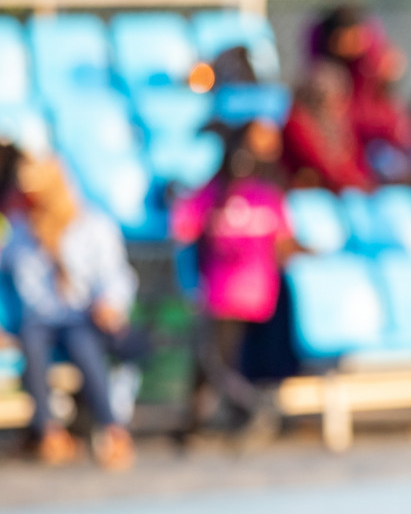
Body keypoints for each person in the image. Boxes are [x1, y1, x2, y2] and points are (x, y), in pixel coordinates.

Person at [1, 154, 138, 470]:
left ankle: (113, 430)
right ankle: (48, 431)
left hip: (80, 316)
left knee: (84, 348)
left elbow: (115, 274)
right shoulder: (21, 232)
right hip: (38, 319)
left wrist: (110, 303)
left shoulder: (91, 224)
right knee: (32, 347)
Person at [171, 119, 295, 441]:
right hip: (253, 294)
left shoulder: (216, 195)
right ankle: (193, 422)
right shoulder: (264, 195)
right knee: (215, 359)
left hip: (226, 293)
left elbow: (181, 228)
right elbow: (285, 241)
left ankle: (252, 409)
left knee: (216, 362)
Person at [307, 4, 411, 182]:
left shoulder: (371, 63)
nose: (357, 43)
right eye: (350, 38)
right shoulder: (326, 76)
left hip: (376, 140)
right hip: (351, 142)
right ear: (335, 39)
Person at [283, 62, 375, 192]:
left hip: (341, 192)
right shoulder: (297, 122)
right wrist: (358, 183)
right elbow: (323, 168)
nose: (342, 106)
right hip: (311, 197)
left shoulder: (339, 124)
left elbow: (358, 165)